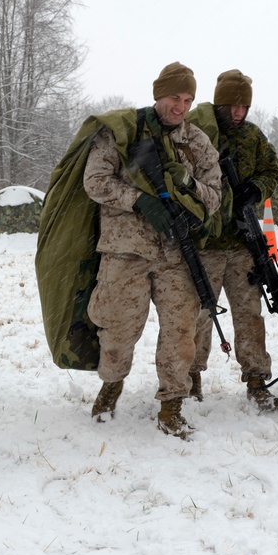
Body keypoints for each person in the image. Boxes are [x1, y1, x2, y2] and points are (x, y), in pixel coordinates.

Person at [85, 62, 222, 438]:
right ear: (158, 94)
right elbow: (95, 181)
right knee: (118, 329)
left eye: (189, 99)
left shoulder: (197, 142)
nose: (181, 106)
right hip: (125, 249)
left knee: (181, 330)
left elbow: (215, 197)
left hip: (178, 253)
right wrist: (139, 201)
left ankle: (171, 405)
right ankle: (111, 385)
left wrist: (189, 185)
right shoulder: (123, 132)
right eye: (175, 97)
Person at [186, 70, 278, 411]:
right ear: (219, 103)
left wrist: (255, 189)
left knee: (249, 314)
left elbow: (272, 170)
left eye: (244, 106)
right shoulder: (198, 133)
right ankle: (190, 377)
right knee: (197, 315)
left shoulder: (253, 137)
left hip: (243, 244)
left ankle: (257, 380)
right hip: (205, 244)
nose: (239, 113)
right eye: (232, 106)